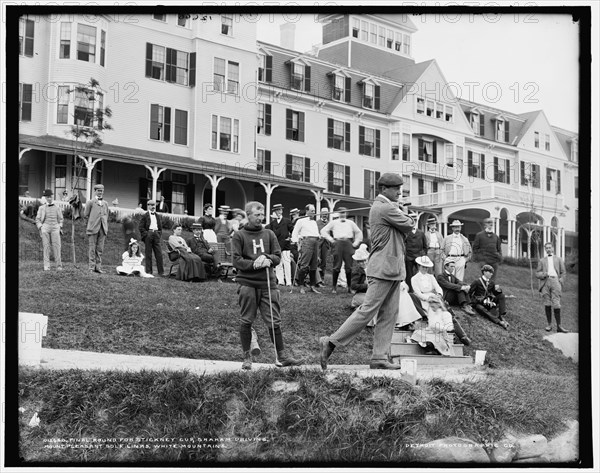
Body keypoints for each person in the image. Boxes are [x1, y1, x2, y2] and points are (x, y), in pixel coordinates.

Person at [319, 173, 415, 370]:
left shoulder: (386, 207)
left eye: (400, 187)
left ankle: (379, 357)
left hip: (392, 268)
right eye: (395, 188)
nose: (399, 191)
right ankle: (331, 342)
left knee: (389, 314)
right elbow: (409, 224)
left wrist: (400, 208)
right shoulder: (384, 207)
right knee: (367, 310)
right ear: (383, 190)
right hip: (383, 268)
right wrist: (403, 210)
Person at [231, 201, 303, 370]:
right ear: (248, 215)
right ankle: (247, 357)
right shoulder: (239, 235)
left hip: (268, 284)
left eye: (262, 215)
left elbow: (278, 256)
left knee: (274, 320)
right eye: (257, 215)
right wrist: (254, 264)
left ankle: (281, 356)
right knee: (246, 320)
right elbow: (236, 260)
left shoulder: (269, 234)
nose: (260, 218)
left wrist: (269, 259)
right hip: (248, 283)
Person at [411, 256, 471, 345]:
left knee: (447, 313)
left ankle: (462, 336)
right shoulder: (414, 278)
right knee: (436, 314)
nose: (425, 269)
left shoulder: (431, 277)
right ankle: (445, 335)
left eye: (426, 267)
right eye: (423, 267)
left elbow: (438, 288)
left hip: (434, 298)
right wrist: (429, 298)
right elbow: (418, 293)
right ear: (419, 266)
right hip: (423, 300)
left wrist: (439, 295)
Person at [320, 207, 362, 294]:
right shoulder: (334, 222)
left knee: (349, 267)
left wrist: (356, 242)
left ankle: (349, 287)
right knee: (336, 266)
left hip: (348, 243)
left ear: (346, 213)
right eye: (341, 212)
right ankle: (334, 288)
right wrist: (331, 240)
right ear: (338, 213)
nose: (342, 214)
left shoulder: (351, 223)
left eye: (344, 213)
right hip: (338, 243)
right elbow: (323, 231)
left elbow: (358, 232)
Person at [536, 242, 568, 332]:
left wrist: (560, 280)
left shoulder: (558, 259)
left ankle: (559, 326)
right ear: (545, 249)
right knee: (547, 303)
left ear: (553, 248)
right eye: (547, 248)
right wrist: (544, 274)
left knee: (556, 302)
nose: (548, 249)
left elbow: (563, 272)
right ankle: (549, 325)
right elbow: (537, 273)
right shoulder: (542, 260)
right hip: (545, 282)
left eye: (550, 247)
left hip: (555, 281)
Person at [291, 204, 322, 294]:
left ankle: (312, 286)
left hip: (315, 242)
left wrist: (319, 236)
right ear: (307, 211)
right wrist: (298, 244)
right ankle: (301, 286)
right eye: (312, 210)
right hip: (306, 242)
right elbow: (295, 233)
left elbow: (315, 233)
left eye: (314, 210)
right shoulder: (301, 221)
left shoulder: (314, 222)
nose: (313, 212)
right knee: (304, 265)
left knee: (314, 266)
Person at [468, 265, 510, 330]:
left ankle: (501, 315)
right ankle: (499, 322)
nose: (491, 274)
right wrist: (471, 303)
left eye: (492, 272)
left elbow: (495, 293)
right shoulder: (477, 281)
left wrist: (498, 290)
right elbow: (469, 293)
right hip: (479, 302)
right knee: (481, 308)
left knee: (501, 295)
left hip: (488, 301)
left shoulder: (492, 282)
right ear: (484, 272)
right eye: (490, 272)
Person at [266, 203, 294, 287]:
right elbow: (268, 232)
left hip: (285, 246)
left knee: (287, 263)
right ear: (274, 212)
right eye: (276, 210)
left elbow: (293, 230)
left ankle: (288, 282)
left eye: (279, 210)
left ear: (282, 211)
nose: (278, 211)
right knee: (278, 264)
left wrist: (290, 238)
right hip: (277, 246)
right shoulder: (272, 223)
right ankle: (281, 281)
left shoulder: (287, 221)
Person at [36, 189, 64, 271]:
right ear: (45, 198)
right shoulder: (42, 208)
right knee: (46, 247)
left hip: (55, 227)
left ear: (52, 196)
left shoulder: (57, 207)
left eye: (50, 196)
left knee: (57, 247)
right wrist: (41, 227)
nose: (49, 198)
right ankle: (47, 266)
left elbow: (61, 219)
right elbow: (37, 219)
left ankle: (58, 266)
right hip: (45, 228)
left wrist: (60, 226)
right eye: (47, 197)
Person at [84, 183, 110, 273]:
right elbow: (86, 215)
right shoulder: (90, 202)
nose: (100, 193)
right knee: (92, 248)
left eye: (102, 191)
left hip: (103, 229)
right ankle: (91, 267)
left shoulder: (105, 203)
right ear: (95, 191)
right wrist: (89, 226)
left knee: (100, 249)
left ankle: (98, 267)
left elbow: (107, 215)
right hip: (93, 228)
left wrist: (105, 226)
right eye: (98, 191)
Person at [139, 199, 164, 277]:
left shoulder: (157, 215)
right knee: (148, 253)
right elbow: (141, 227)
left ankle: (161, 272)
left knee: (159, 253)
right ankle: (149, 271)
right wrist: (146, 234)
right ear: (148, 206)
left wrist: (158, 234)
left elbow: (160, 227)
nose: (153, 207)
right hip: (148, 234)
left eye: (154, 205)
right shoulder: (145, 216)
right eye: (151, 205)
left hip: (156, 234)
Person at [404, 219, 428, 291]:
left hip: (419, 257)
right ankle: (410, 290)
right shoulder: (406, 232)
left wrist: (423, 254)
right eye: (411, 221)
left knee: (420, 274)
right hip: (409, 257)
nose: (413, 223)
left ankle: (421, 289)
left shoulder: (421, 233)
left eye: (414, 221)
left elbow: (425, 246)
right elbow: (402, 244)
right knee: (409, 275)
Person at [350, 244, 369, 308]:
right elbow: (353, 286)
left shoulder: (370, 269)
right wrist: (366, 285)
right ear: (357, 262)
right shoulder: (358, 272)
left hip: (368, 294)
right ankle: (356, 303)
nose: (363, 263)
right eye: (361, 261)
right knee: (370, 302)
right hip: (360, 294)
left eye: (365, 260)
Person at [316, 207, 330, 281]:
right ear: (321, 214)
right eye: (323, 213)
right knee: (317, 260)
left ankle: (322, 278)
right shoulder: (317, 223)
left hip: (326, 244)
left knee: (324, 262)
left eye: (326, 214)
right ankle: (316, 279)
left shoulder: (329, 223)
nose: (325, 215)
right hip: (318, 244)